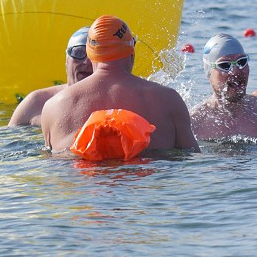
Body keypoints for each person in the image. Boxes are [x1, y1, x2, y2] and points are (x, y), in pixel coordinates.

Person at [42, 15, 200, 154]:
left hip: (85, 185)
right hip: (144, 183)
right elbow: (193, 157)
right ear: (132, 52)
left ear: (90, 55)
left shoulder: (55, 106)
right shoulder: (168, 99)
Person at [7, 26, 92, 127]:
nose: (87, 62)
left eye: (94, 55)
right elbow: (9, 140)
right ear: (66, 61)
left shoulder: (112, 102)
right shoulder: (35, 103)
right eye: (78, 53)